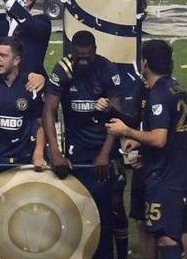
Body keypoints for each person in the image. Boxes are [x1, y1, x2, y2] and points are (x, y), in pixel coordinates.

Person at [107, 39, 187, 259]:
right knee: (171, 232)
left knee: (167, 238)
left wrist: (127, 131)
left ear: (145, 63)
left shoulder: (158, 94)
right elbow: (173, 134)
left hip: (166, 178)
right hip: (178, 173)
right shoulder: (178, 90)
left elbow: (159, 139)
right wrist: (139, 144)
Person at [43, 29, 123, 259]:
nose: (84, 62)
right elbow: (49, 110)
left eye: (88, 57)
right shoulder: (62, 70)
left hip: (104, 146)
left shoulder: (108, 69)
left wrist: (105, 154)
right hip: (75, 150)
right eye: (79, 58)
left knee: (108, 209)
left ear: (95, 52)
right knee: (73, 211)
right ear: (72, 53)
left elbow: (118, 115)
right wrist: (56, 153)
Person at [0, 38, 45, 179]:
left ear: (16, 61)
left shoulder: (30, 85)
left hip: (23, 161)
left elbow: (41, 123)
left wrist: (38, 153)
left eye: (3, 56)